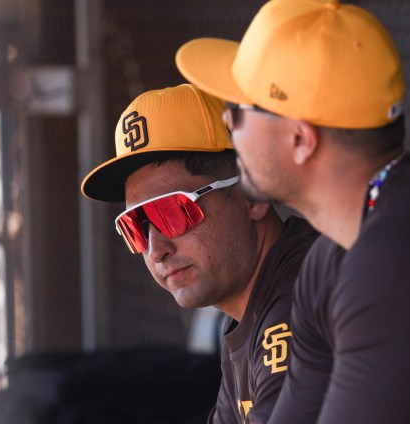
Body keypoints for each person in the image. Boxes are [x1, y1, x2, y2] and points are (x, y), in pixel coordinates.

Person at [174, 0, 410, 423]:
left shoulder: (407, 249)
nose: (228, 122)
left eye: (241, 112)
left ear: (301, 139)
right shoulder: (330, 259)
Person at [80, 83, 318, 423]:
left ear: (253, 192)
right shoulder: (248, 313)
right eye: (136, 226)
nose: (155, 249)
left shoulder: (297, 303)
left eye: (172, 212)